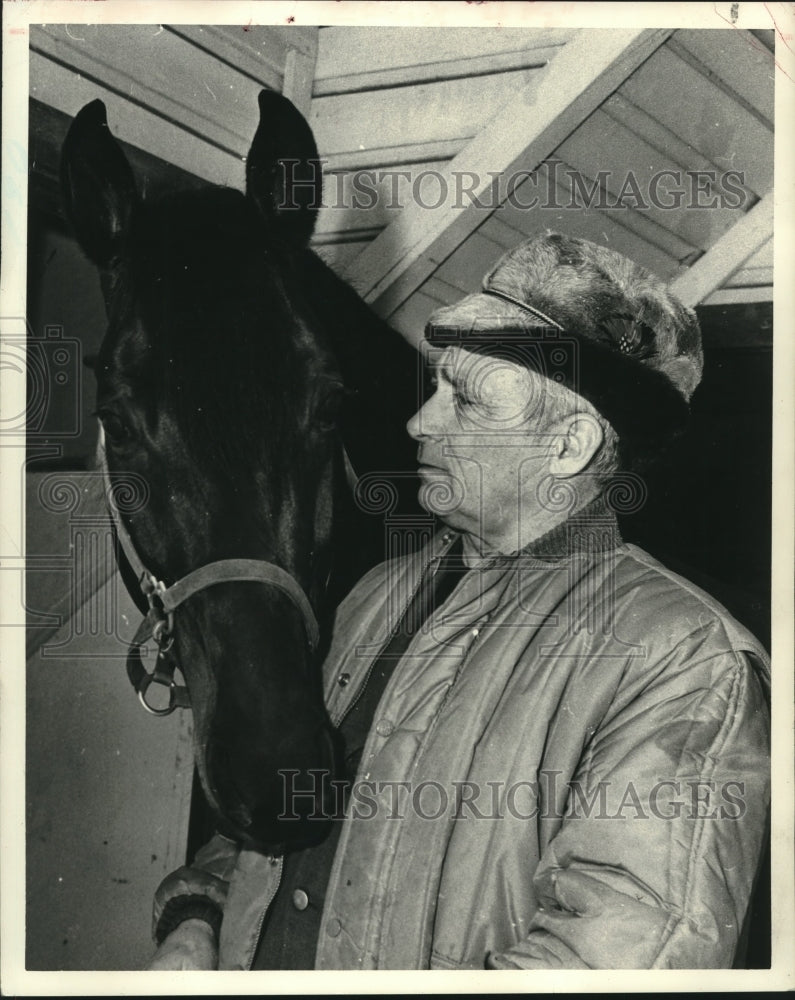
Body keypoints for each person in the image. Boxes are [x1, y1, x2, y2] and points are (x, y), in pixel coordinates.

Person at [147, 232, 770, 970]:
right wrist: (197, 918)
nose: (419, 422)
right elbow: (274, 813)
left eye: (466, 401)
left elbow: (617, 959)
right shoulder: (377, 596)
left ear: (566, 448)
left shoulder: (681, 657)